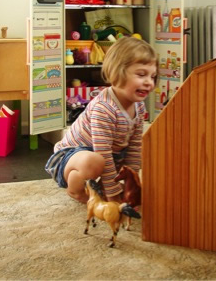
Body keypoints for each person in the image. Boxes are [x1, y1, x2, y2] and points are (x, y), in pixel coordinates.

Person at [45, 36, 157, 204]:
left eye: (153, 76)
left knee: (138, 153)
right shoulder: (104, 108)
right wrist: (113, 198)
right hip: (68, 157)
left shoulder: (139, 107)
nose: (149, 82)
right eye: (141, 75)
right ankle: (76, 190)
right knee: (96, 161)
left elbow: (134, 149)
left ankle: (102, 188)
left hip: (110, 154)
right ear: (117, 73)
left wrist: (130, 186)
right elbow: (102, 152)